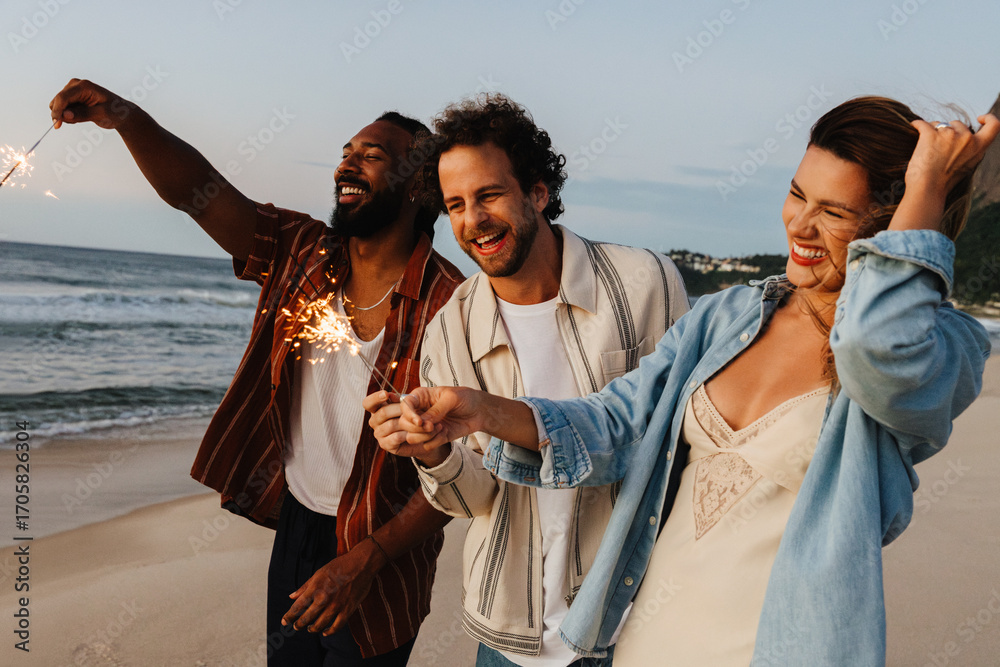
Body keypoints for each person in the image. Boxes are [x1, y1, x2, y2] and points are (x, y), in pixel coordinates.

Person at [380, 97, 999, 665]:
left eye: (833, 212)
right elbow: (617, 422)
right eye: (796, 193)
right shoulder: (725, 317)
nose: (800, 226)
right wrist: (484, 411)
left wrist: (928, 189)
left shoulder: (944, 349)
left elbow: (875, 343)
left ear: (892, 231)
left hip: (782, 646)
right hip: (646, 636)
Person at [49, 79, 464, 666]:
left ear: (420, 184)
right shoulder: (303, 251)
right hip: (298, 521)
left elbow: (461, 474)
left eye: (372, 156)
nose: (348, 162)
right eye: (346, 151)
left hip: (384, 548)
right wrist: (125, 116)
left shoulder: (456, 305)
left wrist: (364, 559)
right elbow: (199, 194)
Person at [365, 94, 689, 666]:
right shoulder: (450, 331)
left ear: (537, 191)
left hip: (634, 621)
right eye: (456, 204)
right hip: (511, 637)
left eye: (489, 195)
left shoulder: (645, 284)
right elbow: (474, 499)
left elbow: (675, 446)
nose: (472, 221)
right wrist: (433, 454)